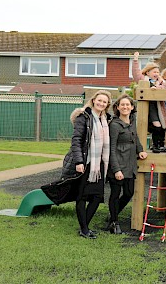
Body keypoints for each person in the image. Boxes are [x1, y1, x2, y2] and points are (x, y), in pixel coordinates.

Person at [69, 90, 112, 239]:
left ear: (107, 105)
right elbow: (76, 140)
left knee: (97, 196)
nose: (101, 103)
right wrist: (79, 161)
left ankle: (84, 227)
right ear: (93, 100)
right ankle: (84, 229)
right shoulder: (83, 117)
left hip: (99, 164)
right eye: (99, 100)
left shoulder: (106, 119)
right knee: (81, 196)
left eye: (104, 102)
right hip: (86, 162)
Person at [107, 94, 147, 234]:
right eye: (122, 105)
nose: (125, 107)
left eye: (127, 105)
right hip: (118, 163)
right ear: (117, 107)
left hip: (130, 164)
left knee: (129, 192)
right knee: (115, 193)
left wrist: (140, 150)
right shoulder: (115, 125)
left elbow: (135, 137)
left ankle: (112, 216)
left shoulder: (132, 121)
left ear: (132, 107)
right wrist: (116, 169)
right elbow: (111, 148)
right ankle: (114, 222)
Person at [131, 52, 166, 153]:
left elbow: (165, 88)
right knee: (155, 126)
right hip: (147, 107)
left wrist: (157, 87)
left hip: (158, 107)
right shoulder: (143, 80)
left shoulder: (160, 82)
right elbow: (136, 73)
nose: (156, 74)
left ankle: (158, 145)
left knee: (160, 126)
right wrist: (135, 60)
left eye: (157, 72)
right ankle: (152, 146)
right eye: (154, 72)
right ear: (148, 73)